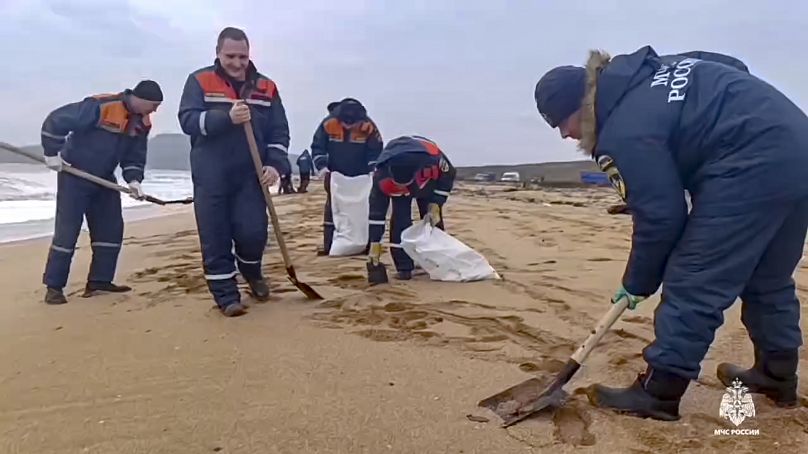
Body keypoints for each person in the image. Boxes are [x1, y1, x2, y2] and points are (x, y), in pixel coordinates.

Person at [533, 45, 808, 421]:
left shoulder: (622, 132)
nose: (564, 135)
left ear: (582, 103)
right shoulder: (652, 70)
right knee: (768, 276)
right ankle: (777, 375)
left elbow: (662, 218)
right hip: (798, 145)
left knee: (694, 276)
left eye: (562, 122)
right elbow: (731, 63)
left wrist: (637, 282)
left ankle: (659, 392)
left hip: (748, 161)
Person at [178, 26, 290, 317]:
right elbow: (188, 121)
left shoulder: (266, 87)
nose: (237, 63)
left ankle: (252, 272)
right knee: (215, 236)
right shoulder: (199, 81)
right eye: (230, 56)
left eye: (243, 56)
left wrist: (275, 164)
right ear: (218, 53)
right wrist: (225, 117)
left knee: (253, 233)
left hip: (251, 174)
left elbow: (279, 131)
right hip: (211, 172)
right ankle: (226, 295)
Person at [39, 80, 163, 305]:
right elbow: (56, 120)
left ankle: (99, 282)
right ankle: (54, 287)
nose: (154, 110)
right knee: (67, 232)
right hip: (75, 174)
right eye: (153, 105)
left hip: (104, 179)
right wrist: (52, 152)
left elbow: (135, 155)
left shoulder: (142, 123)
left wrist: (134, 180)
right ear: (140, 99)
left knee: (111, 229)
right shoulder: (101, 106)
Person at [367, 135, 455, 282]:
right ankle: (404, 267)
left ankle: (437, 261)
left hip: (427, 184)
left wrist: (436, 203)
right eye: (400, 184)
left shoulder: (435, 158)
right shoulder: (381, 175)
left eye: (405, 184)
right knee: (401, 220)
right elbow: (377, 213)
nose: (404, 188)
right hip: (399, 191)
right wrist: (374, 244)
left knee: (432, 221)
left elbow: (448, 176)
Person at [311, 98, 383, 256]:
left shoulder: (368, 126)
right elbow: (318, 147)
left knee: (364, 209)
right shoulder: (328, 124)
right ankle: (329, 245)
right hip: (335, 174)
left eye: (353, 124)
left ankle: (366, 245)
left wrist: (373, 169)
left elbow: (375, 150)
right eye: (346, 123)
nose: (349, 126)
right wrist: (322, 167)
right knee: (333, 207)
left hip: (361, 176)